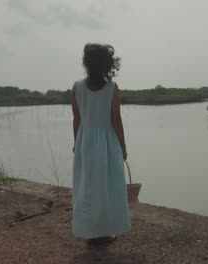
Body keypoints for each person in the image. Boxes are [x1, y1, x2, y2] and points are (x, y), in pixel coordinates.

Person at [71, 43, 130, 246]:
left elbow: (77, 119)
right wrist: (123, 147)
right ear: (108, 64)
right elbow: (116, 120)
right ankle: (103, 232)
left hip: (84, 141)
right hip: (107, 142)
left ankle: (91, 233)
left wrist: (76, 143)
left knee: (87, 187)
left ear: (86, 63)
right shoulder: (112, 88)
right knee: (108, 187)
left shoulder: (77, 87)